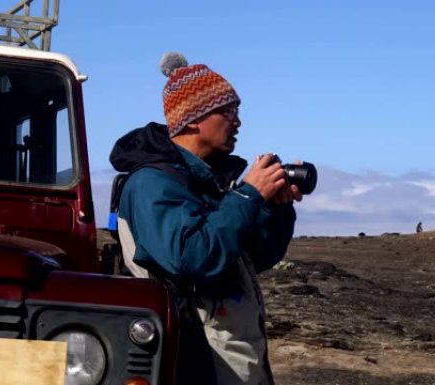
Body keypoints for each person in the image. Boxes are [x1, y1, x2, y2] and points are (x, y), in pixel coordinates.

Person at [109, 52, 302, 385]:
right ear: (193, 118)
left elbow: (253, 258)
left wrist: (275, 208)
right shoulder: (152, 183)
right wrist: (247, 196)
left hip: (230, 356)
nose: (238, 122)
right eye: (228, 112)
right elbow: (192, 258)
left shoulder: (207, 182)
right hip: (194, 357)